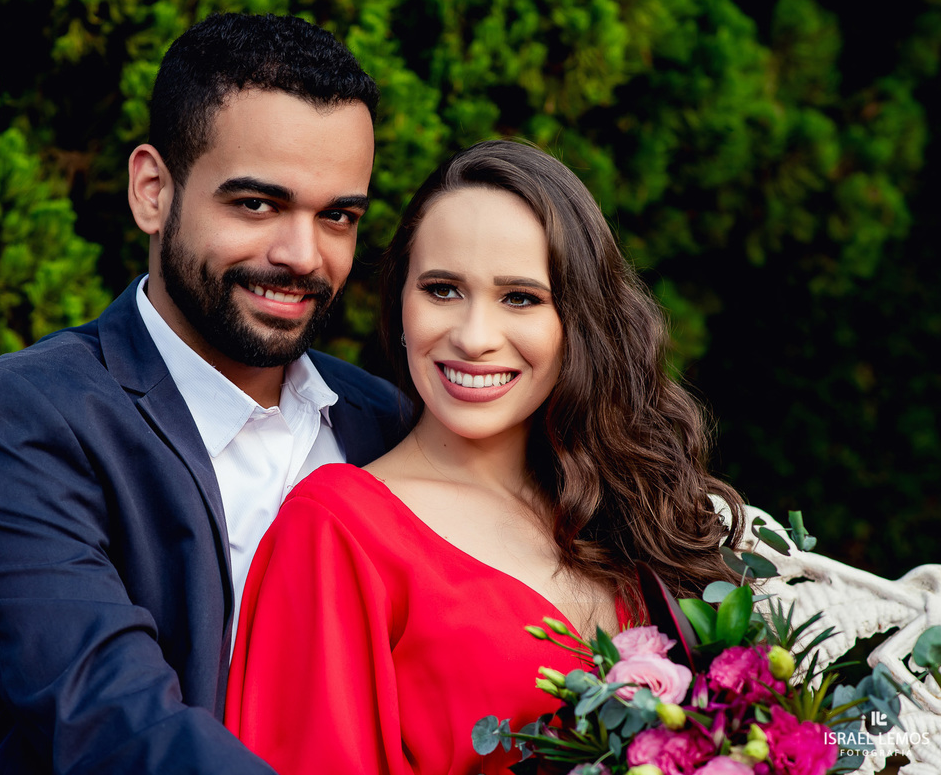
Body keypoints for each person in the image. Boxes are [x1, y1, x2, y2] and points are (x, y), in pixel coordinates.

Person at [0, 13, 409, 774]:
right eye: (256, 204)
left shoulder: (388, 424)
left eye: (337, 216)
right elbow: (116, 726)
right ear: (152, 190)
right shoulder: (15, 422)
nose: (302, 255)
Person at [224, 140, 745, 775]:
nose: (474, 338)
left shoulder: (626, 507)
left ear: (578, 320)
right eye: (442, 290)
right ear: (401, 304)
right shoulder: (336, 529)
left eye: (520, 297)